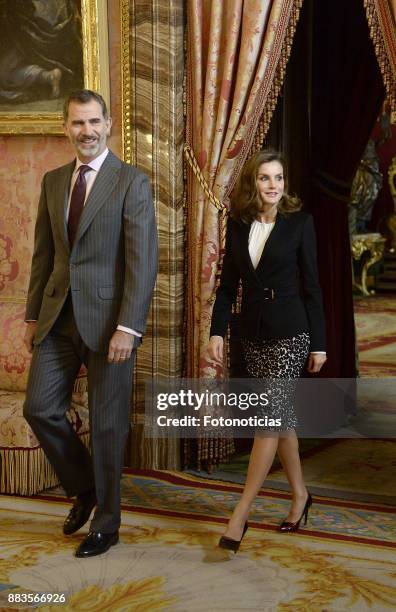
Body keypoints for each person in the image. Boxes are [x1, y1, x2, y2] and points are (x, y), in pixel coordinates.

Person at [23, 89, 158, 558]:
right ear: (66, 128)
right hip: (58, 319)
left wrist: (130, 327)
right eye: (78, 123)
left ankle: (107, 524)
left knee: (107, 425)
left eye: (94, 122)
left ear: (109, 124)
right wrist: (33, 314)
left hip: (109, 326)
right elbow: (44, 255)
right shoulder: (53, 180)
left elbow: (143, 264)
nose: (87, 131)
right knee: (38, 409)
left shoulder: (131, 182)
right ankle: (84, 488)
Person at [207, 150, 326, 553]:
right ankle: (300, 496)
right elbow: (227, 287)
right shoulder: (239, 226)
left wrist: (320, 343)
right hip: (252, 334)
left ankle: (240, 513)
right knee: (281, 420)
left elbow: (313, 286)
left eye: (278, 177)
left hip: (291, 333)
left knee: (268, 422)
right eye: (264, 178)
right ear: (253, 184)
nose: (273, 185)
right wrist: (217, 332)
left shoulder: (300, 224)